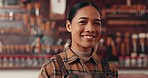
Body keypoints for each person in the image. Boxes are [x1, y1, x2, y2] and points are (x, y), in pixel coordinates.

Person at [38, 1, 118, 78]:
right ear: (69, 26)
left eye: (96, 23)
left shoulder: (110, 70)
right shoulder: (52, 68)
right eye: (83, 22)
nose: (90, 29)